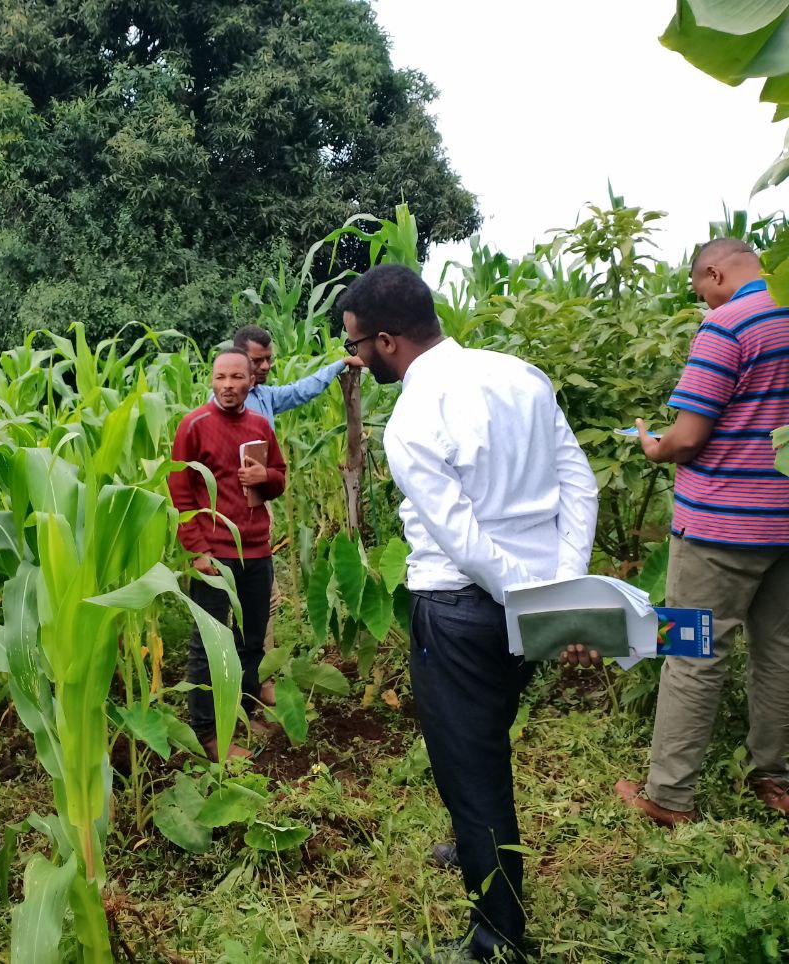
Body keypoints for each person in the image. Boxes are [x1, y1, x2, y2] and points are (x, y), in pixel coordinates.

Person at [337, 264, 599, 962]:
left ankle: (496, 936)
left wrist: (532, 595)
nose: (356, 360)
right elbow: (579, 480)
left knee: (470, 764)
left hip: (462, 609)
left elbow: (464, 542)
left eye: (357, 348)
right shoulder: (520, 375)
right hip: (529, 598)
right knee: (488, 737)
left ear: (387, 341)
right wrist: (560, 585)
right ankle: (473, 840)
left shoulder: (412, 420)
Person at [613, 237, 789, 825]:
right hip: (784, 521)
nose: (703, 301)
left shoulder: (728, 327)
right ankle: (774, 777)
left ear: (714, 273)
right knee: (780, 651)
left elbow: (687, 437)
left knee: (690, 651)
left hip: (720, 527)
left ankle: (668, 797)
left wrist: (651, 445)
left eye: (699, 289)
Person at [230, 325, 366, 707]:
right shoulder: (223, 406)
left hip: (261, 509)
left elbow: (302, 390)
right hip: (232, 514)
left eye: (269, 359)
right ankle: (241, 682)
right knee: (240, 601)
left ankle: (257, 679)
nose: (267, 366)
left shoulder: (265, 398)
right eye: (258, 360)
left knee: (265, 598)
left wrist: (338, 365)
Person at [169, 348, 288, 761]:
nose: (229, 386)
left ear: (250, 381)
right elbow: (180, 490)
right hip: (215, 555)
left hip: (257, 549)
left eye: (237, 377)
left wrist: (265, 477)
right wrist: (197, 549)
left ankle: (249, 709)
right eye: (221, 377)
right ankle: (207, 732)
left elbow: (280, 477)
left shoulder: (259, 425)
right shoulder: (194, 426)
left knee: (253, 636)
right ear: (212, 379)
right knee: (209, 641)